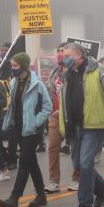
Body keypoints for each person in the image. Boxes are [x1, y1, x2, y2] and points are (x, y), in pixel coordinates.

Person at [57, 42, 104, 207]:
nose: (64, 59)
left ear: (79, 55)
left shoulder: (99, 70)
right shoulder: (66, 74)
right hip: (74, 127)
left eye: (67, 56)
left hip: (93, 126)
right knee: (79, 166)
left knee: (86, 164)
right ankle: (102, 187)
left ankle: (85, 206)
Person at [0, 53, 52, 207]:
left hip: (32, 130)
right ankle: (41, 195)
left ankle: (14, 198)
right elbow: (13, 105)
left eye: (15, 66)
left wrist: (36, 122)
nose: (12, 69)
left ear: (24, 66)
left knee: (24, 162)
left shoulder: (37, 84)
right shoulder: (14, 82)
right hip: (19, 128)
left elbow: (47, 107)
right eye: (12, 66)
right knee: (31, 162)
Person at [44, 48, 66, 193]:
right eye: (59, 63)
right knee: (52, 148)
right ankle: (54, 181)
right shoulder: (54, 73)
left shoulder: (76, 74)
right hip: (54, 115)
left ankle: (77, 178)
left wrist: (64, 110)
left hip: (70, 116)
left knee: (76, 150)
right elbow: (49, 90)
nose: (61, 66)